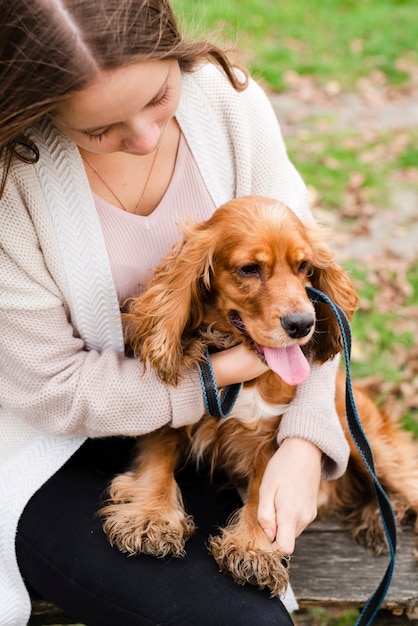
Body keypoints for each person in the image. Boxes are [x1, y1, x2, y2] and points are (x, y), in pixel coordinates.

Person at [0, 1, 350, 624]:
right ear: (37, 109)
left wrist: (305, 442)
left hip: (222, 432)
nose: (144, 137)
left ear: (175, 52)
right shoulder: (11, 179)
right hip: (59, 448)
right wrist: (217, 377)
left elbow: (310, 298)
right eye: (99, 130)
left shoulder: (227, 103)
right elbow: (48, 389)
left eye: (160, 95)